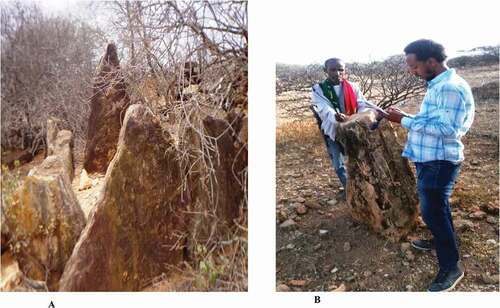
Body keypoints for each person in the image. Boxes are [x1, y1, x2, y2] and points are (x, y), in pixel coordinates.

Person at [384, 39, 475, 292]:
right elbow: (435, 120)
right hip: (430, 158)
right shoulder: (438, 84)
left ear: (431, 62)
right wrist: (406, 116)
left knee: (432, 211)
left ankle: (451, 266)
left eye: (414, 66)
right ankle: (441, 240)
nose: (411, 71)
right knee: (437, 209)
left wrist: (404, 121)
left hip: (439, 161)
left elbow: (448, 130)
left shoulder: (448, 88)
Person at [311, 58, 378, 197]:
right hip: (333, 129)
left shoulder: (352, 86)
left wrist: (361, 115)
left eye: (341, 69)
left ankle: (365, 189)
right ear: (326, 71)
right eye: (333, 69)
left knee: (359, 158)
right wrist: (335, 116)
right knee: (338, 163)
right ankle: (350, 191)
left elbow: (361, 103)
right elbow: (322, 107)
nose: (337, 73)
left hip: (354, 129)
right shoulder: (319, 89)